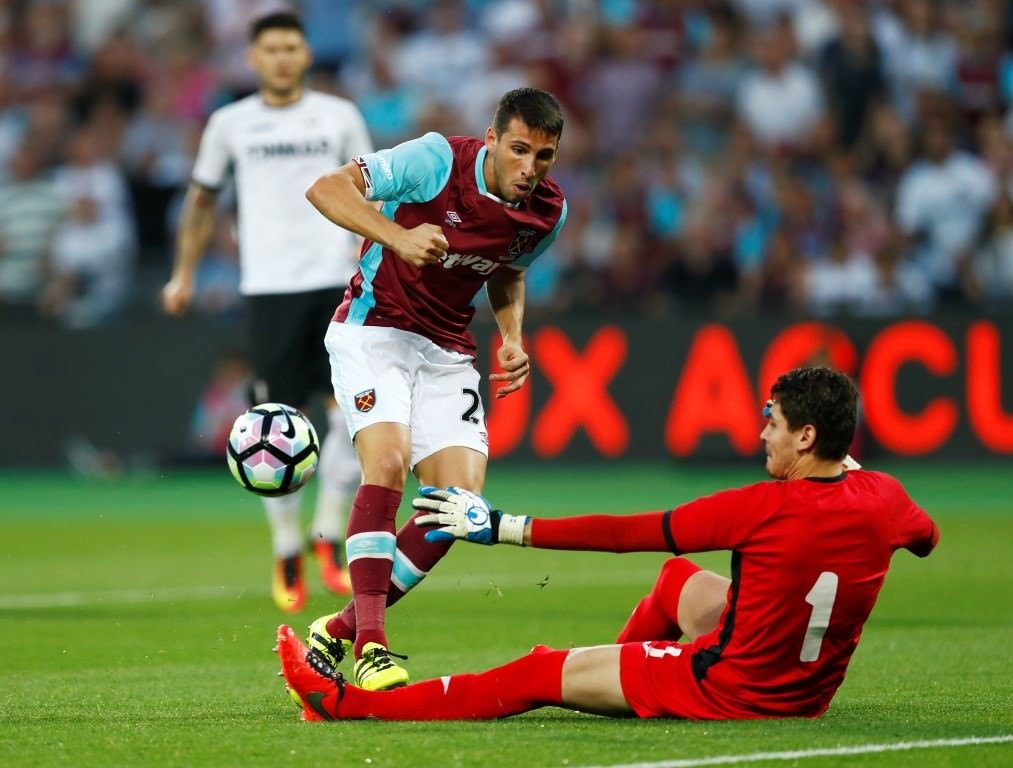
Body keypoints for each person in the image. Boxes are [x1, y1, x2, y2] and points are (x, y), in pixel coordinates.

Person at [276, 366, 939, 721]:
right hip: (806, 689)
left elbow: (627, 536)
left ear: (804, 438)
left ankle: (347, 704)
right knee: (679, 580)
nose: (762, 431)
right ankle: (615, 675)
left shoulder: (759, 508)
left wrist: (503, 527)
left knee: (537, 670)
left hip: (732, 689)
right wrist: (850, 472)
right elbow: (926, 539)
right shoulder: (887, 499)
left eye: (773, 420)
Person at [300, 87, 568, 691]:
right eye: (519, 150)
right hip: (374, 329)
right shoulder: (436, 161)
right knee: (388, 463)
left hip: (446, 349)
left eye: (544, 156)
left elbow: (508, 271)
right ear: (493, 139)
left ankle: (338, 630)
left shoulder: (548, 212)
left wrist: (512, 336)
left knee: (457, 507)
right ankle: (372, 646)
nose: (530, 168)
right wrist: (397, 237)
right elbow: (326, 188)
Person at [161, 12, 373, 613]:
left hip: (339, 281)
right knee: (272, 427)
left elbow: (375, 189)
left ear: (305, 54)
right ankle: (286, 547)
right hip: (270, 288)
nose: (281, 58)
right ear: (253, 59)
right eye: (270, 49)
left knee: (351, 418)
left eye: (290, 47)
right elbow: (202, 202)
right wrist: (184, 273)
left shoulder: (339, 117)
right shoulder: (230, 124)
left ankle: (327, 536)